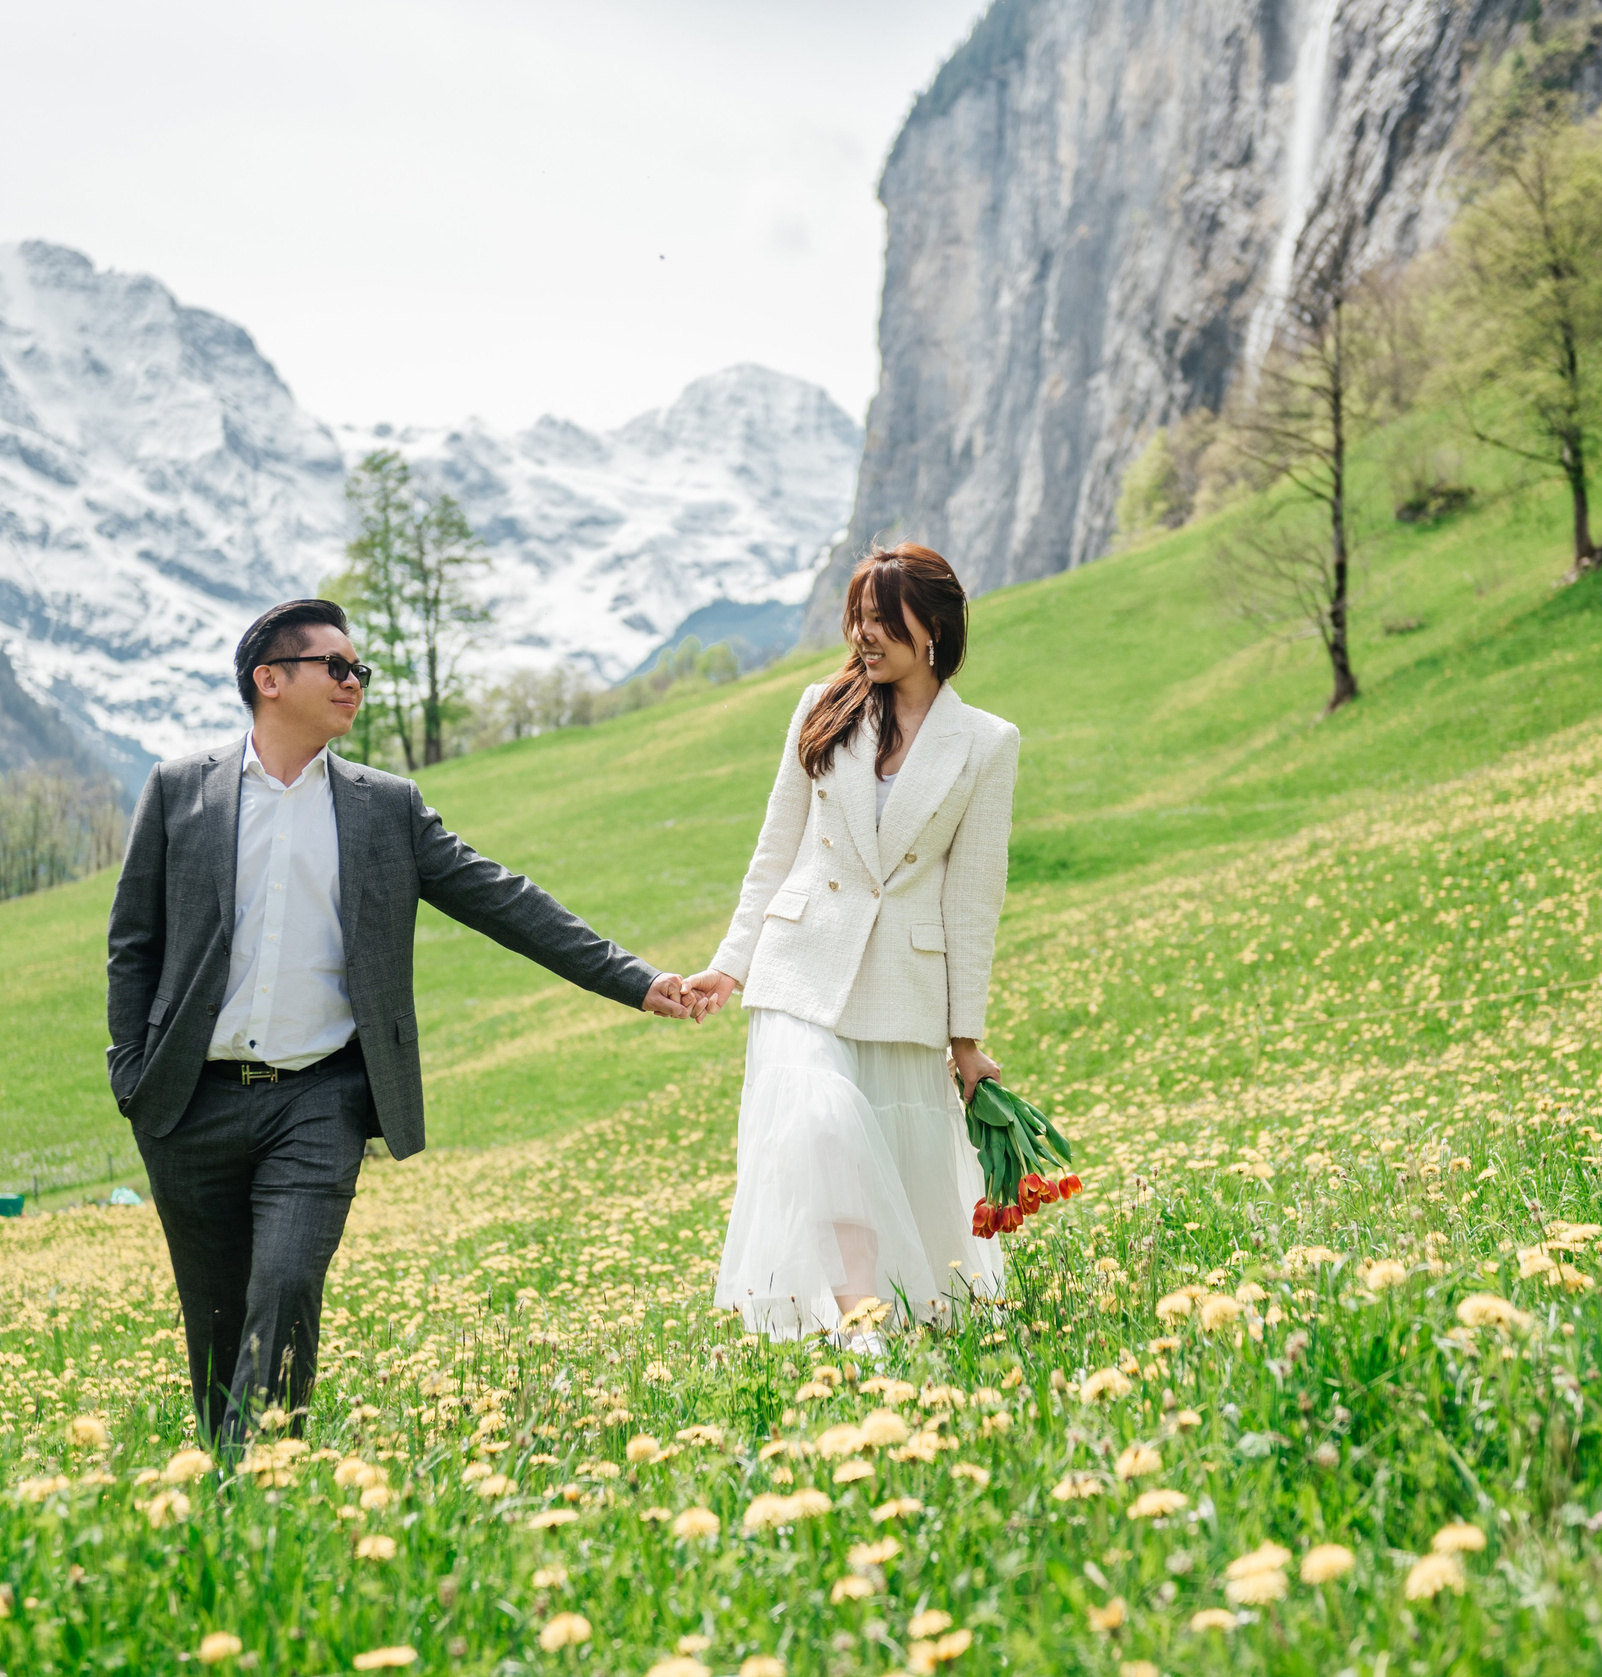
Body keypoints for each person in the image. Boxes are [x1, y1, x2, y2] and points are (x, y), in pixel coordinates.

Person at [107, 599, 695, 1443]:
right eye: (335, 667)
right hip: (188, 1104)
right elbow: (133, 942)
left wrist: (636, 980)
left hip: (320, 1102)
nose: (355, 682)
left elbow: (505, 900)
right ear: (269, 680)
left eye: (360, 670)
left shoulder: (384, 806)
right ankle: (223, 1491)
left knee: (285, 1288)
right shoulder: (177, 791)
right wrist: (130, 1073)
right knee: (216, 1321)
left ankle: (264, 1475)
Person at [684, 544, 1019, 1346]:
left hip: (902, 984)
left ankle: (895, 1314)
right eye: (858, 618)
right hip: (797, 968)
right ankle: (857, 1321)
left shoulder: (986, 742)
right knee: (820, 1121)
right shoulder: (821, 706)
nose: (864, 635)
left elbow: (974, 898)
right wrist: (730, 965)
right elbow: (776, 849)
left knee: (889, 1165)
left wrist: (965, 1039)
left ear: (932, 628)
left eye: (882, 620)